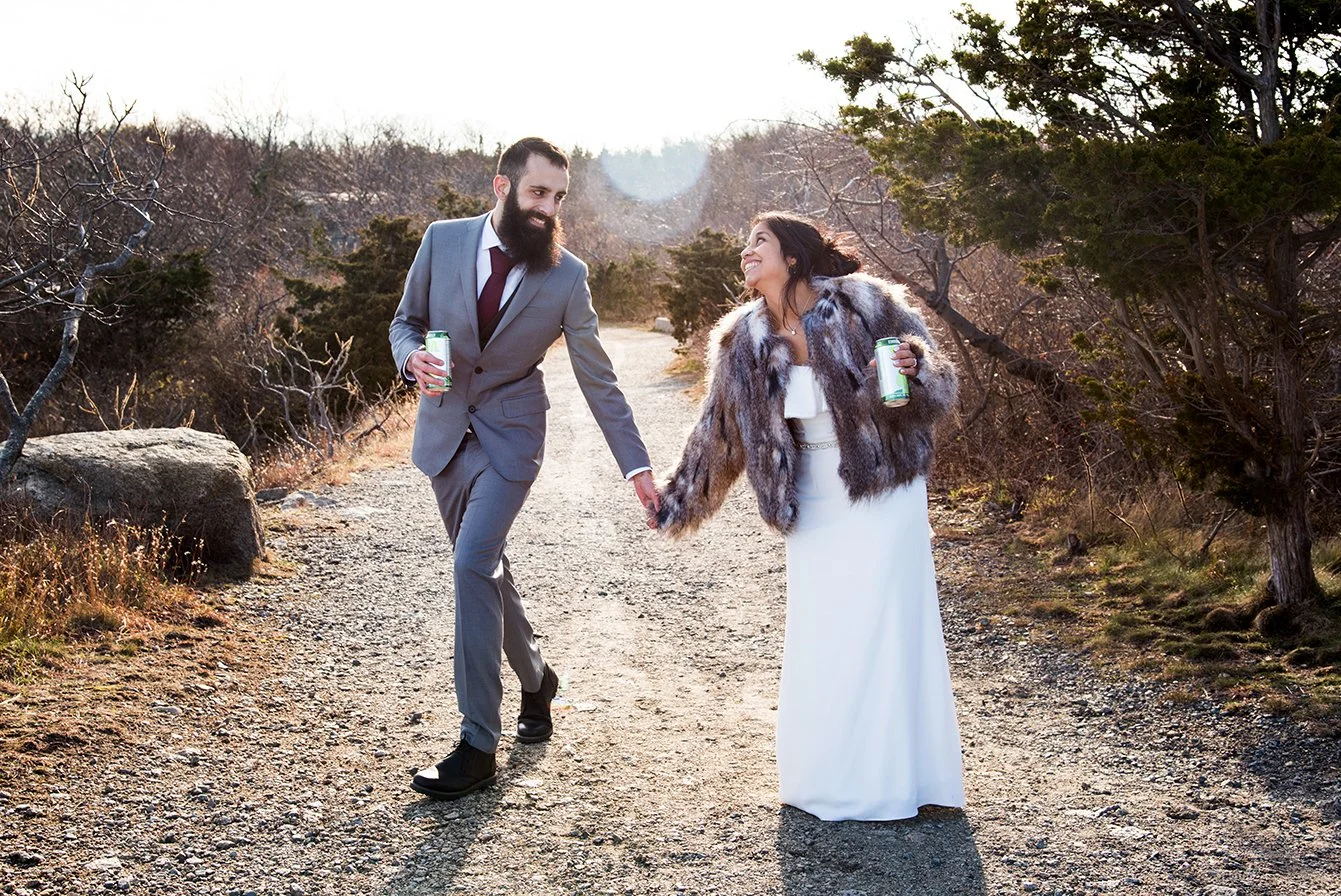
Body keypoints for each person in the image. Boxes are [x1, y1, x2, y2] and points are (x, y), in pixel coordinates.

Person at [653, 212, 964, 821]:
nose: (745, 252)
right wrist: (675, 500)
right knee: (825, 636)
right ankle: (828, 780)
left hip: (883, 492)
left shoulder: (866, 303)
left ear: (792, 256)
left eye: (758, 242)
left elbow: (939, 380)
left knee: (884, 632)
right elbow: (720, 432)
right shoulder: (741, 336)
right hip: (812, 500)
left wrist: (912, 369)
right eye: (744, 244)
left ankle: (906, 783)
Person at [389, 137, 660, 800]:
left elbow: (600, 381)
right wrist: (410, 359)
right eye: (538, 192)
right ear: (502, 186)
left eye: (559, 197)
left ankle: (477, 743)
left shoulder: (567, 276)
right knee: (484, 569)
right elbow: (406, 321)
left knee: (470, 563)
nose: (548, 208)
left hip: (511, 440)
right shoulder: (442, 240)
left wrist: (638, 468)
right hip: (444, 436)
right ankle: (538, 679)